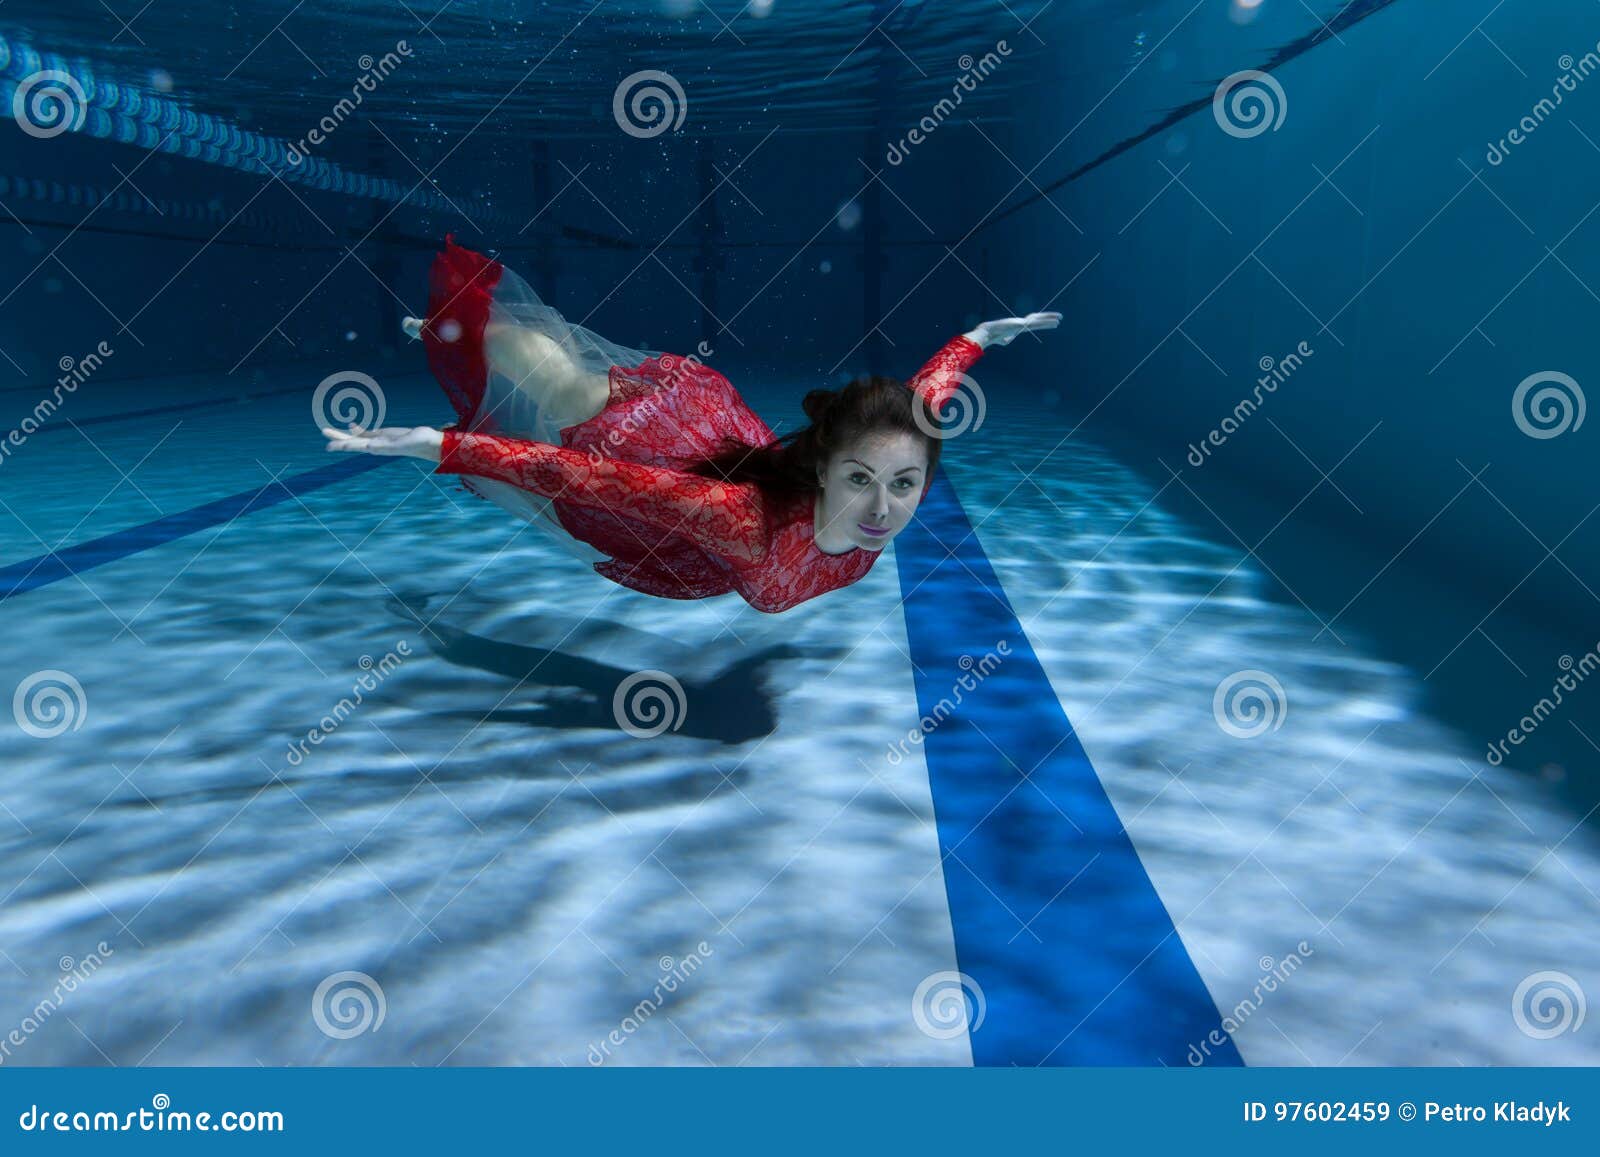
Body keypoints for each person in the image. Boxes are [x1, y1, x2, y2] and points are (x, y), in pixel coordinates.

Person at [323, 236, 1059, 613]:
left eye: (906, 484)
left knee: (562, 398)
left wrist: (986, 334)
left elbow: (929, 388)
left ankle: (460, 336)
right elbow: (588, 476)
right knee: (567, 387)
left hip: (707, 507)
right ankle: (458, 329)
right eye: (861, 480)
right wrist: (437, 445)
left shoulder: (894, 454)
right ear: (824, 467)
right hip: (662, 442)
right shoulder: (743, 523)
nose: (882, 509)